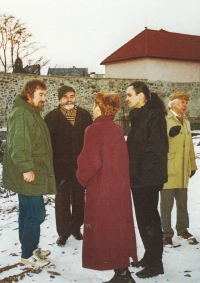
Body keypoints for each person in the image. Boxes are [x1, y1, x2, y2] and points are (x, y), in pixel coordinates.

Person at [76, 92, 138, 283]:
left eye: (95, 105)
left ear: (101, 108)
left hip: (101, 188)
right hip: (118, 187)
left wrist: (80, 177)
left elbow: (90, 161)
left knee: (104, 229)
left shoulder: (93, 129)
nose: (93, 108)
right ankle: (122, 272)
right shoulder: (116, 129)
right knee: (117, 228)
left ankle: (123, 274)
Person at [2, 79, 57, 267]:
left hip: (30, 172)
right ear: (29, 95)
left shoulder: (31, 113)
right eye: (40, 95)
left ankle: (30, 248)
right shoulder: (22, 114)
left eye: (45, 94)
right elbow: (18, 146)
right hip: (27, 173)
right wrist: (26, 168)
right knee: (36, 214)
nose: (44, 98)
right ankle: (28, 254)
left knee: (27, 212)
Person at [125, 81, 168, 279]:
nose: (126, 99)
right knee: (144, 220)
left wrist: (139, 172)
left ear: (141, 96)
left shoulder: (154, 115)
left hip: (147, 179)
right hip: (140, 178)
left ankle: (155, 264)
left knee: (149, 220)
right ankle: (150, 257)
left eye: (129, 95)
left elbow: (156, 149)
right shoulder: (139, 115)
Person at [44, 85, 92, 246]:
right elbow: (47, 145)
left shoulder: (85, 116)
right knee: (62, 201)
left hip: (80, 167)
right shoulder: (51, 118)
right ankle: (63, 232)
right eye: (65, 96)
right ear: (59, 99)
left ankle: (76, 227)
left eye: (72, 95)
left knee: (79, 199)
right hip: (60, 168)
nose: (69, 99)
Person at [160, 92, 198, 246]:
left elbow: (189, 146)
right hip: (169, 168)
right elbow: (158, 143)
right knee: (167, 204)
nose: (185, 105)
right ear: (172, 103)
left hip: (183, 169)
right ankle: (166, 233)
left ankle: (182, 228)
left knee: (182, 202)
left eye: (186, 102)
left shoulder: (186, 121)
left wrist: (193, 165)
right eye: (182, 102)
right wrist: (168, 135)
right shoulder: (164, 120)